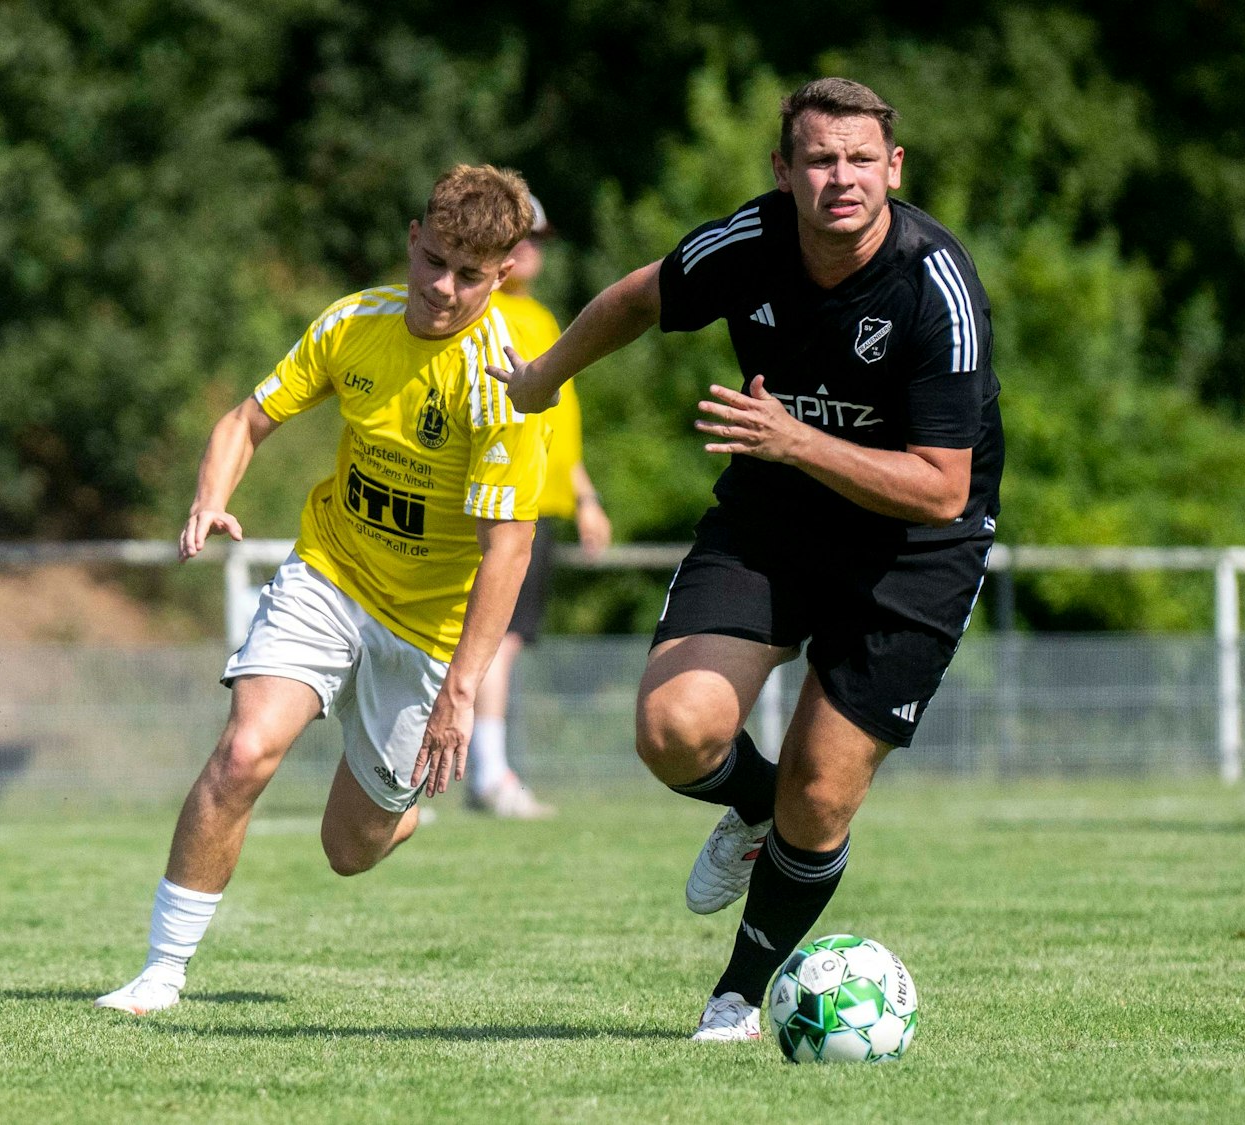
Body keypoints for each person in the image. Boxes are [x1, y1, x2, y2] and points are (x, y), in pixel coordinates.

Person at [495, 78, 1002, 1040]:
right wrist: (542, 377)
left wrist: (795, 439)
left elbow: (942, 486)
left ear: (893, 169)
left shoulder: (935, 284)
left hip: (916, 550)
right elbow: (639, 297)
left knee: (823, 790)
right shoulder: (753, 241)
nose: (839, 178)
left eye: (860, 159)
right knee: (672, 726)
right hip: (774, 519)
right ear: (784, 170)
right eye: (818, 159)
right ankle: (753, 805)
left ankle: (737, 996)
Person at [95, 165, 549, 1016]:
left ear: (505, 272)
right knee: (243, 753)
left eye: (470, 275)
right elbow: (246, 420)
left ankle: (396, 806)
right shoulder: (354, 323)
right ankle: (161, 970)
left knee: (349, 846)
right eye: (436, 261)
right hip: (331, 574)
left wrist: (461, 691)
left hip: (427, 629)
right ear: (413, 239)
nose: (444, 289)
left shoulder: (507, 387)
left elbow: (507, 552)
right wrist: (210, 497)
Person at [469, 194, 613, 819]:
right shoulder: (476, 311)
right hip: (499, 499)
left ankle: (471, 769)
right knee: (491, 639)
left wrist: (584, 496)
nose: (530, 248)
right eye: (518, 237)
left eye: (539, 239)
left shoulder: (544, 318)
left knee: (504, 640)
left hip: (542, 504)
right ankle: (488, 775)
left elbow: (558, 426)